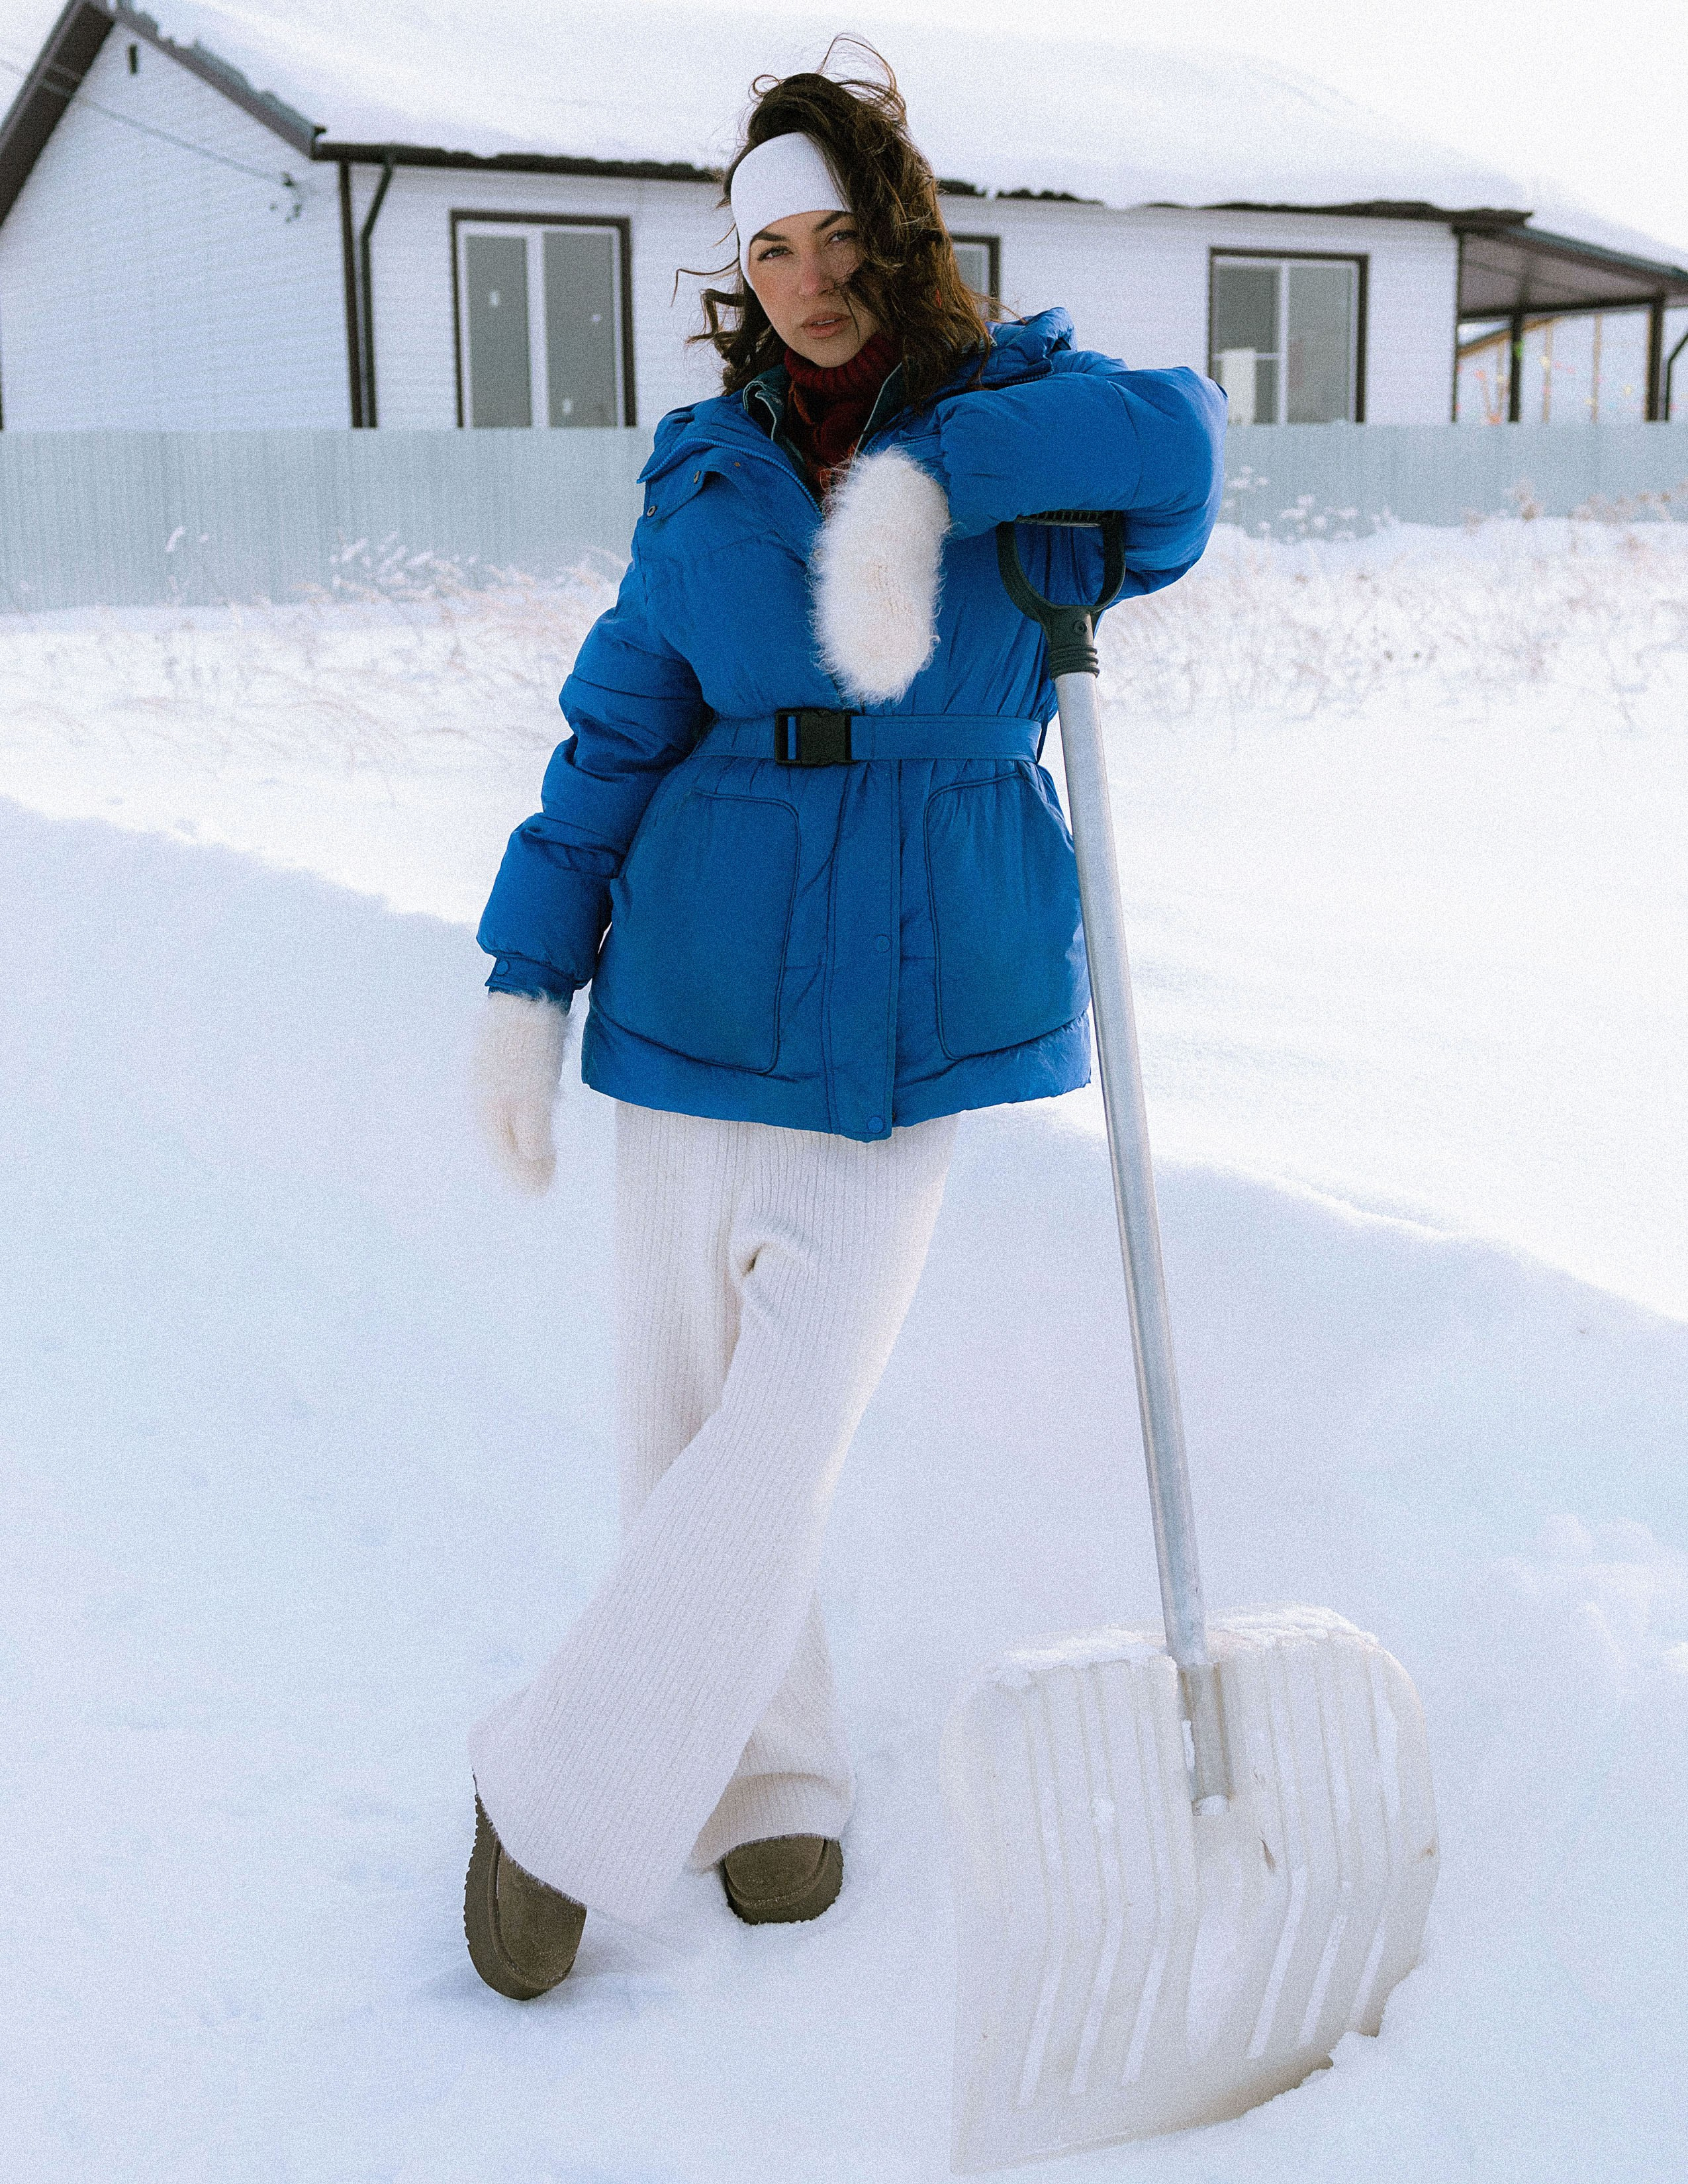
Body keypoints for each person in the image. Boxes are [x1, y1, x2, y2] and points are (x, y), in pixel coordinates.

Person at [462, 48, 1225, 1999]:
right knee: (687, 1421)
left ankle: (549, 1791)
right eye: (771, 249)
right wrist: (529, 973)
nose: (806, 280)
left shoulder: (1034, 425)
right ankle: (765, 1771)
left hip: (903, 1011)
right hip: (692, 994)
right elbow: (617, 729)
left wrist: (918, 491)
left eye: (835, 237)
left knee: (781, 1431)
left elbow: (1186, 451)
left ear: (902, 233)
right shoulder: (707, 474)